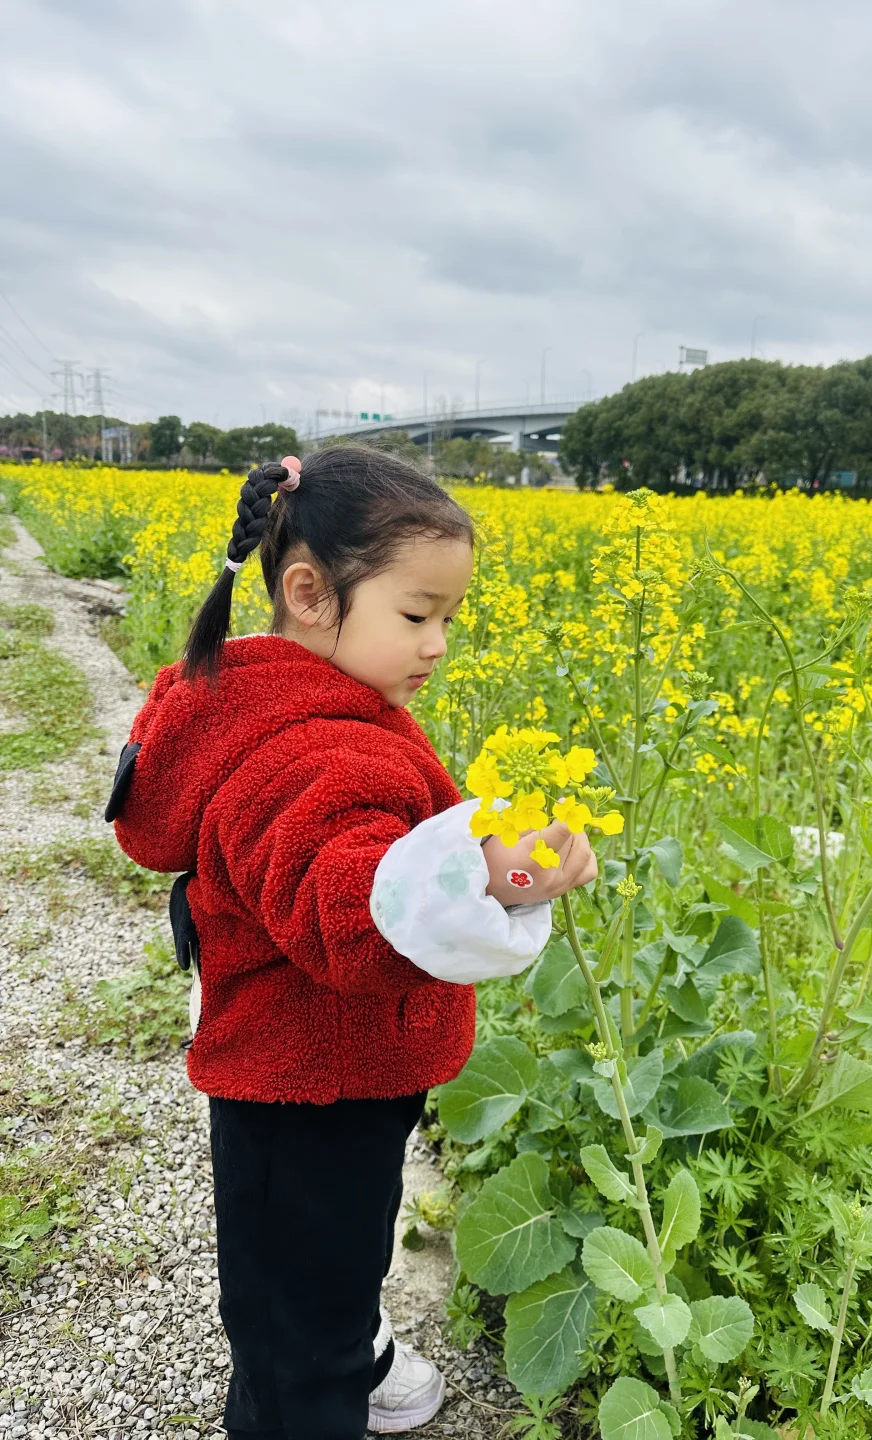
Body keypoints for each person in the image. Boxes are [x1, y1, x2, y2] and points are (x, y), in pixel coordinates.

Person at [107, 446, 597, 1438]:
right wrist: (494, 881)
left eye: (447, 618)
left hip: (329, 1080)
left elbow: (363, 848)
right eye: (417, 615)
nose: (439, 643)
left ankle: (349, 1341)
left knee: (330, 1249)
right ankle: (318, 1383)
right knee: (296, 1326)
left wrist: (483, 864)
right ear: (309, 594)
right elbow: (349, 897)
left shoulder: (296, 708)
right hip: (309, 1092)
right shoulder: (308, 750)